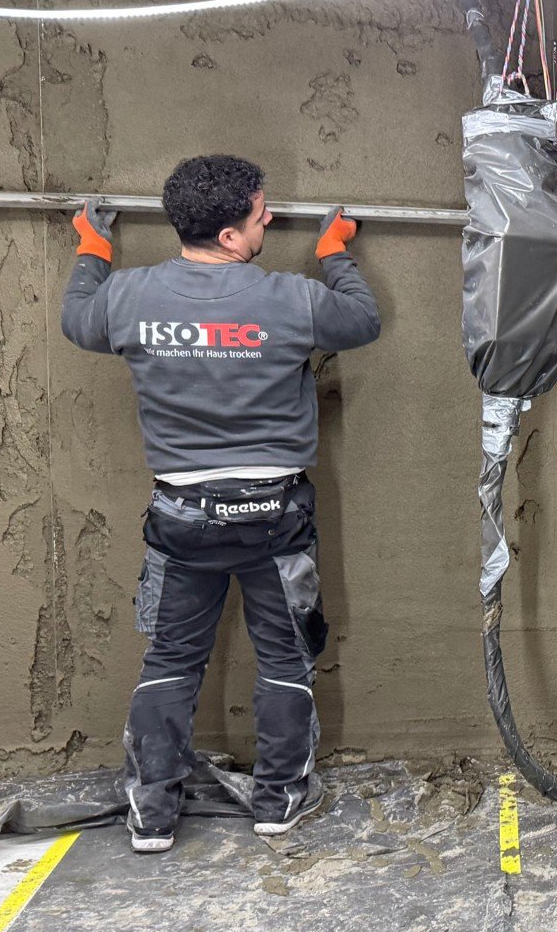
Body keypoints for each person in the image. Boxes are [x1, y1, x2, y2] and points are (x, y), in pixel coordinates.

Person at [61, 155, 380, 853]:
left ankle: (151, 814)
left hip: (182, 515)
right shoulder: (292, 299)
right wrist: (334, 253)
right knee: (285, 658)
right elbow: (362, 320)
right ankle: (279, 801)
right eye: (262, 216)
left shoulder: (127, 296)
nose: (270, 221)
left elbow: (77, 321)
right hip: (274, 515)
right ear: (231, 236)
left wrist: (92, 249)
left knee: (172, 659)